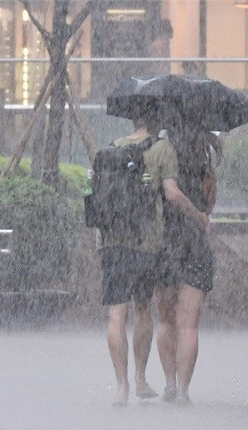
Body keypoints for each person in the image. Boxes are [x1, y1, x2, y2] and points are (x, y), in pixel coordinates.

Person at [97, 112, 209, 406]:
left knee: (116, 317)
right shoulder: (161, 149)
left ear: (133, 120)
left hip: (111, 241)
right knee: (144, 311)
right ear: (157, 122)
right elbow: (172, 193)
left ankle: (122, 388)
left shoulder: (111, 148)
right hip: (145, 243)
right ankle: (144, 379)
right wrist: (198, 215)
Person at [154, 128, 220, 406]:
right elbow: (209, 208)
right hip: (194, 244)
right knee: (189, 325)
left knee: (166, 320)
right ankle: (183, 390)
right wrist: (196, 215)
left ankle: (169, 383)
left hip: (164, 243)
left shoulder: (161, 161)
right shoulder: (207, 171)